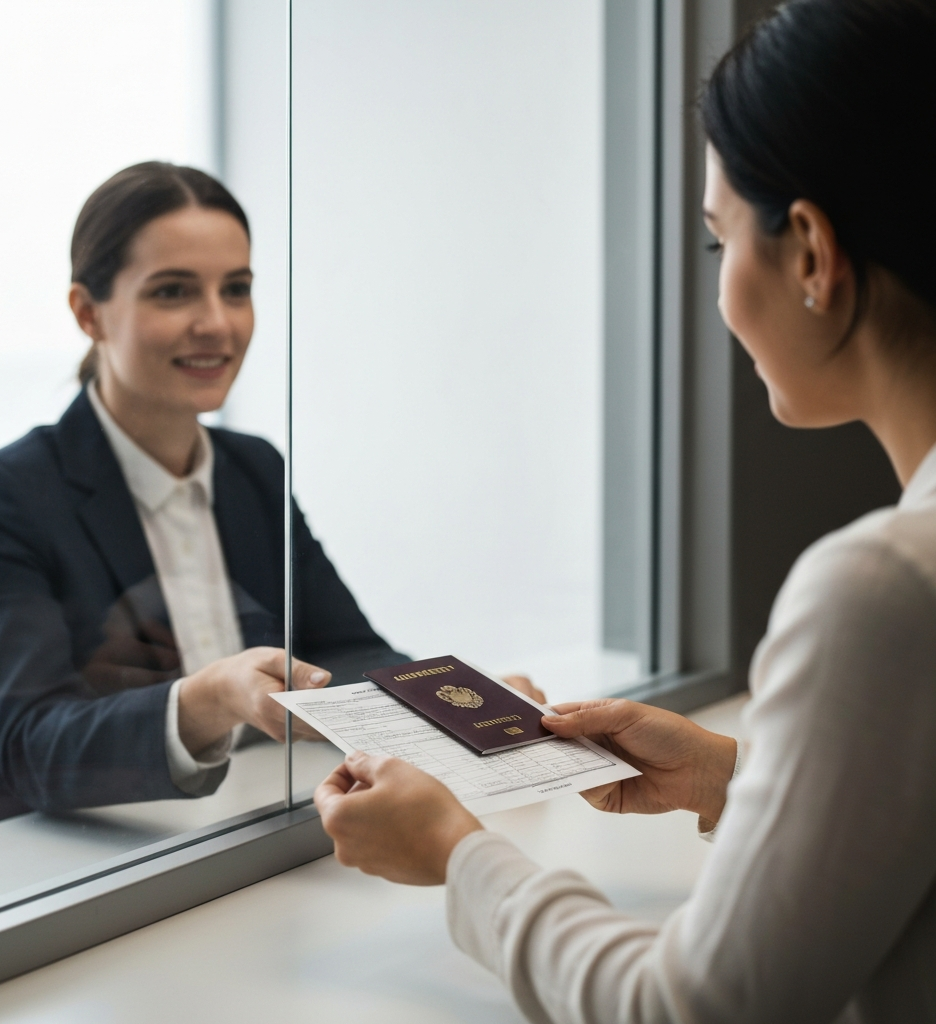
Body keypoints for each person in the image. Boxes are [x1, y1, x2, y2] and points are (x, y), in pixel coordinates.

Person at [313, 2, 936, 1021]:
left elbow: (688, 1009)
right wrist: (731, 776)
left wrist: (458, 853)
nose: (719, 293)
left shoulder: (881, 586)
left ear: (812, 255)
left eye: (715, 243)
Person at [0, 163, 416, 830]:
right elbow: (31, 747)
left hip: (244, 826)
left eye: (237, 289)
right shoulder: (5, 494)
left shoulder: (252, 469)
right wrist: (206, 701)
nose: (217, 325)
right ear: (89, 312)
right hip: (63, 865)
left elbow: (348, 651)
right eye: (173, 293)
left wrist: (460, 707)